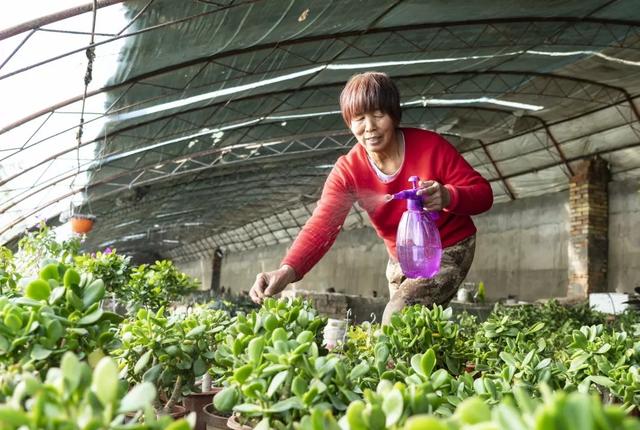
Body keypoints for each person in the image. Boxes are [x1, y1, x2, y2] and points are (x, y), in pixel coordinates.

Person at [249, 71, 493, 324]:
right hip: (402, 255)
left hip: (448, 246)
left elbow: (483, 194)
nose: (370, 127)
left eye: (378, 115)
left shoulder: (430, 147)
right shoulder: (349, 170)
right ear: (349, 122)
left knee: (397, 315)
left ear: (394, 115)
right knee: (409, 330)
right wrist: (287, 270)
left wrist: (448, 196)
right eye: (359, 118)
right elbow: (322, 226)